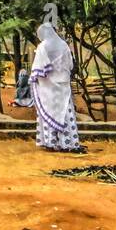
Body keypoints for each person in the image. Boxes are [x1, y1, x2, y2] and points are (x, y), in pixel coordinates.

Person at [30, 22, 84, 153]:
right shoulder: (64, 45)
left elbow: (39, 68)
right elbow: (70, 65)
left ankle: (50, 142)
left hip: (48, 87)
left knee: (49, 112)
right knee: (65, 112)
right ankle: (68, 142)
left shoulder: (43, 47)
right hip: (63, 85)